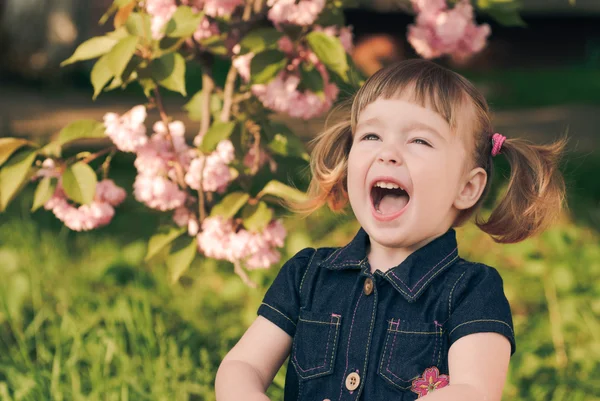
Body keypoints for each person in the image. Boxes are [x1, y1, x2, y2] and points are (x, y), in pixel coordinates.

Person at [215, 59, 567, 401]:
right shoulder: (307, 276)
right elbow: (243, 364)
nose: (388, 153)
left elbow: (473, 391)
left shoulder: (470, 292)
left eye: (419, 141)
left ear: (467, 188)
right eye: (371, 135)